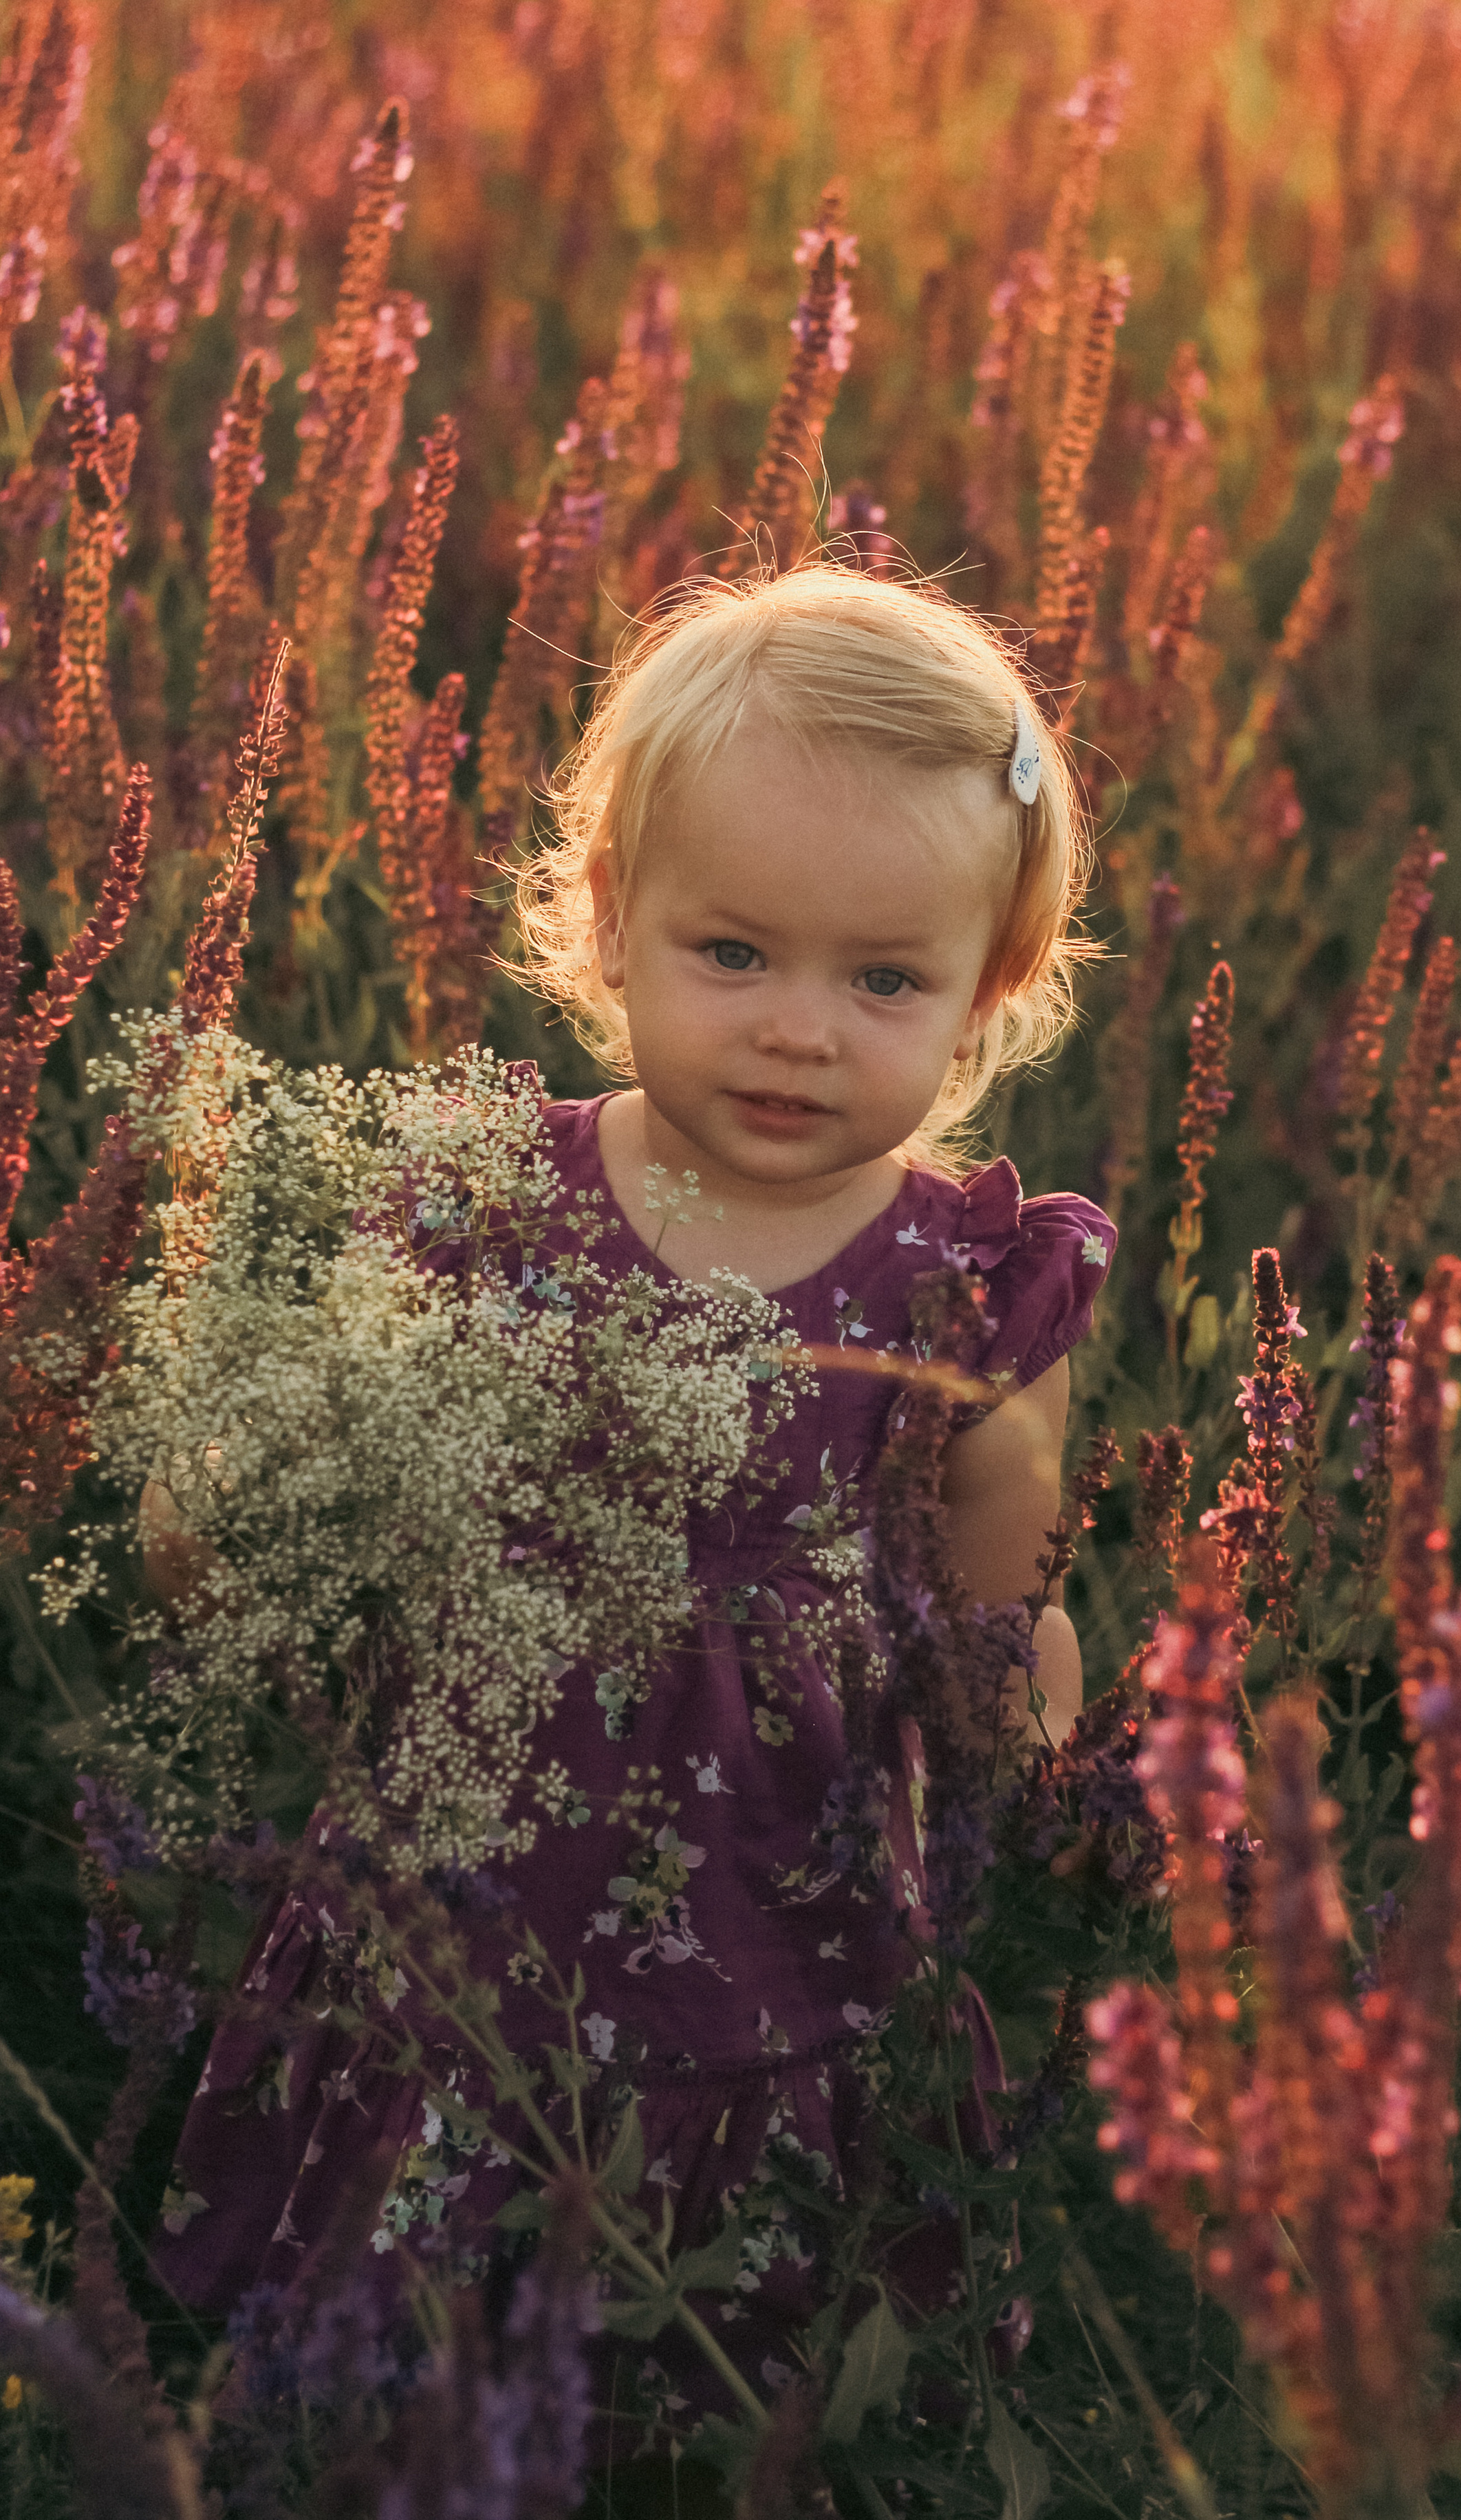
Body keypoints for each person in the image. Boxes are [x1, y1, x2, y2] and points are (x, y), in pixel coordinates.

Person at [151, 563, 1116, 2458]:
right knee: (422, 2260)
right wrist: (230, 1520)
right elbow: (315, 1470)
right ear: (608, 920)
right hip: (476, 1860)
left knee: (750, 2350)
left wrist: (1062, 1793)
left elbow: (1005, 1600)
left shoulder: (969, 1286)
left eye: (885, 980)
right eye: (732, 952)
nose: (799, 1031)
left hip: (781, 1887)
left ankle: (705, 2445)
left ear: (987, 997)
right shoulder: (483, 1201)